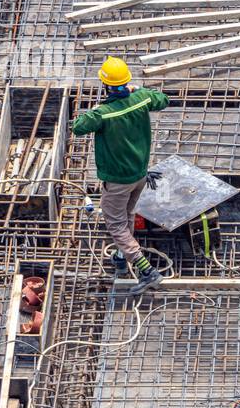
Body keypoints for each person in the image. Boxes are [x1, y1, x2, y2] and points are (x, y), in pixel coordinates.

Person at [71, 56, 170, 293]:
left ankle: (146, 271)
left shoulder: (102, 114)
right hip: (139, 176)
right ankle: (120, 256)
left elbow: (78, 127)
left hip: (116, 181)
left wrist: (94, 110)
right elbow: (163, 99)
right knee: (127, 216)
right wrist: (138, 90)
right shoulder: (141, 98)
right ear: (127, 81)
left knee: (115, 225)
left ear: (105, 85)